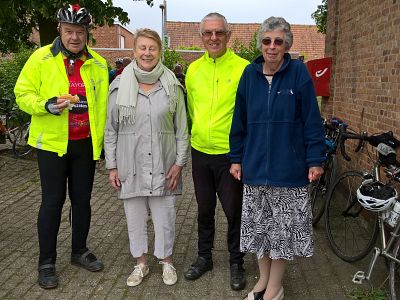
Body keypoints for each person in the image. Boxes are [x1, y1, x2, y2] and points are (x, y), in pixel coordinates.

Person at [229, 17, 325, 300]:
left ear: (287, 45)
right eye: (267, 41)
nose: (272, 47)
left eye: (278, 42)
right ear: (260, 44)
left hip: (289, 170)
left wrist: (315, 159)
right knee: (260, 230)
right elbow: (239, 122)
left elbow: (311, 120)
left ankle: (275, 288)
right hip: (255, 167)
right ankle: (263, 281)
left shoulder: (298, 73)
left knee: (281, 234)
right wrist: (236, 158)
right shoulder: (249, 74)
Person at [14, 3, 108, 289]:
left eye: (80, 31)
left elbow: (103, 105)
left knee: (82, 201)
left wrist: (105, 144)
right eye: (69, 31)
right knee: (52, 202)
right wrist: (45, 105)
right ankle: (46, 262)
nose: (75, 37)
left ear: (87, 33)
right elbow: (22, 93)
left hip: (85, 144)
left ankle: (79, 250)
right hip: (53, 145)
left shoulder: (99, 64)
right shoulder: (40, 58)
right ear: (59, 30)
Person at [104, 28, 188, 287]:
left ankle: (167, 261)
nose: (147, 53)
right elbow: (111, 129)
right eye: (142, 48)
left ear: (160, 52)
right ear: (134, 51)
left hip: (164, 164)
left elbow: (182, 130)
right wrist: (112, 166)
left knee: (165, 217)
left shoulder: (173, 86)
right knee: (135, 217)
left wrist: (179, 163)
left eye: (152, 48)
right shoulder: (119, 86)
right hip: (131, 164)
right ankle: (140, 263)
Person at [183, 12, 249, 291]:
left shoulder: (244, 68)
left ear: (228, 35)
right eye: (208, 33)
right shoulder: (193, 70)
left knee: (235, 211)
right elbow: (190, 111)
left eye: (219, 32)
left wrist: (242, 154)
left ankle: (237, 261)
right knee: (204, 208)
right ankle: (204, 257)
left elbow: (249, 114)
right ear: (201, 37)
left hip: (230, 155)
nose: (213, 38)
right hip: (199, 152)